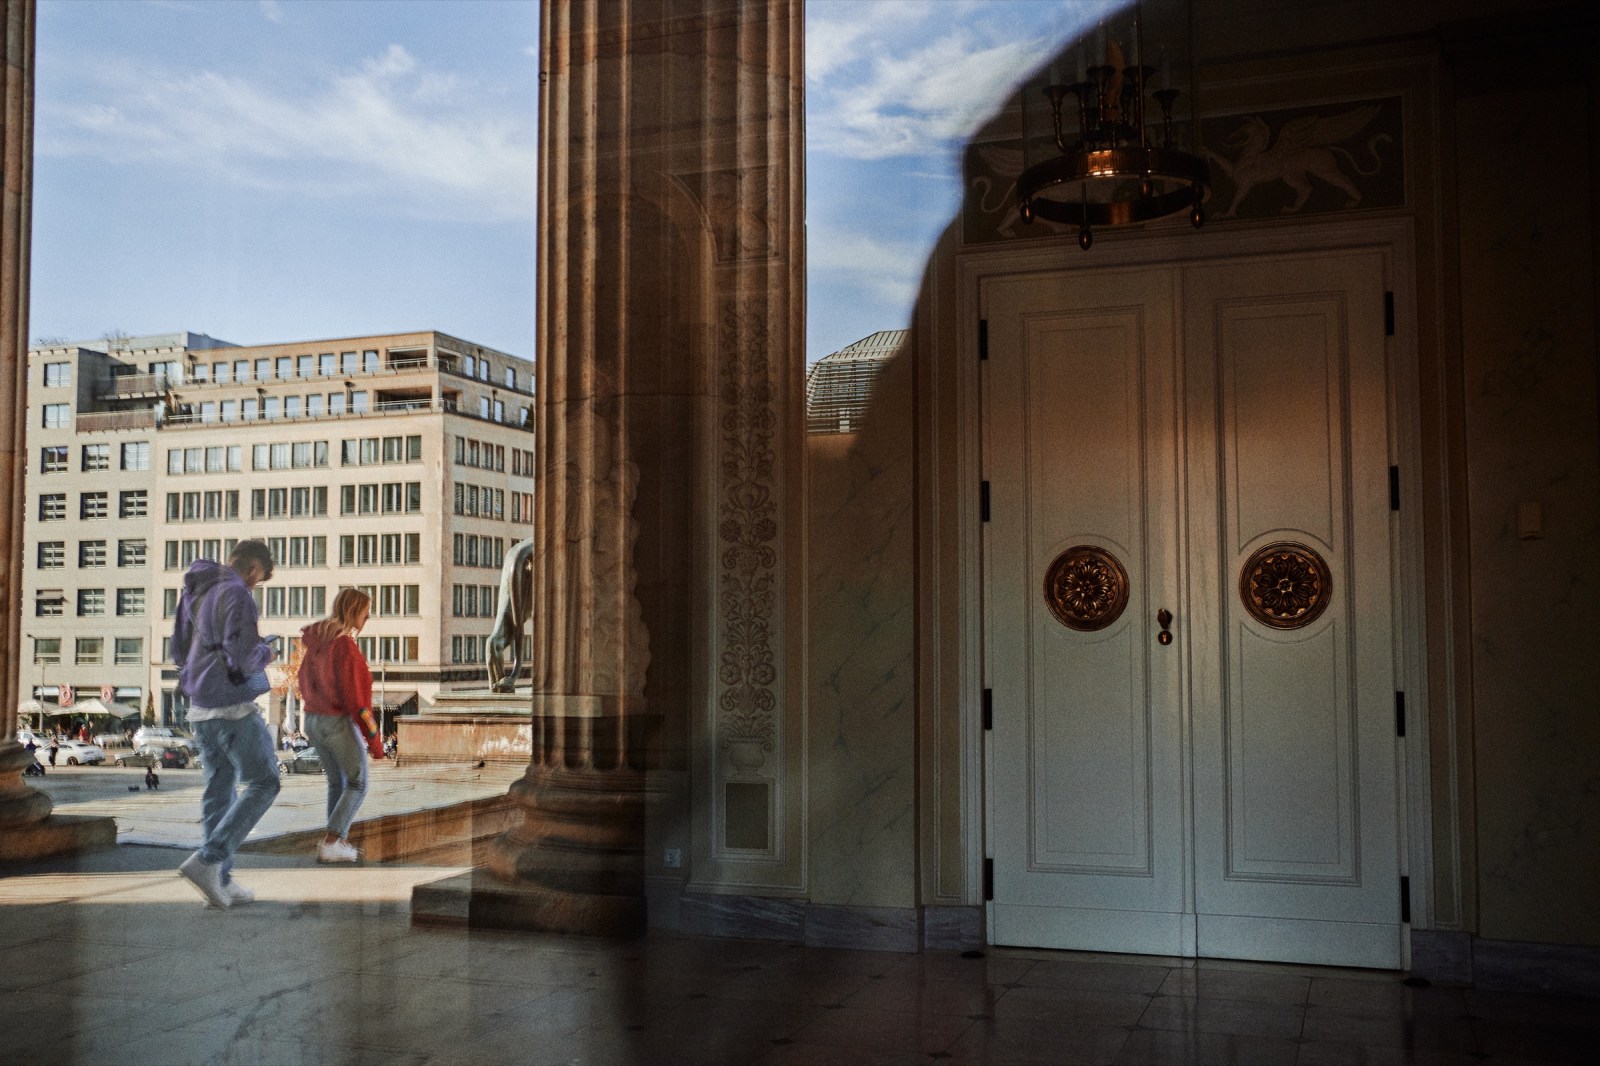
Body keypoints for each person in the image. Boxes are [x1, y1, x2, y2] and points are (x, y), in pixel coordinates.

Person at [170, 539, 281, 909]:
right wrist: (267, 650)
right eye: (258, 580)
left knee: (220, 790)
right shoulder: (238, 593)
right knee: (265, 781)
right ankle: (208, 860)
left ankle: (221, 879)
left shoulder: (195, 589)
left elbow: (178, 649)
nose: (255, 587)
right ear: (252, 569)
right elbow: (243, 658)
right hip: (230, 706)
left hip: (199, 706)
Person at [296, 587, 384, 863]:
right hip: (336, 720)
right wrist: (375, 742)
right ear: (353, 611)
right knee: (358, 783)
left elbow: (301, 680)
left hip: (313, 720)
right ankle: (332, 840)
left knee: (337, 782)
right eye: (365, 611)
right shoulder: (345, 645)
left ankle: (337, 841)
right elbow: (356, 699)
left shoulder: (319, 641)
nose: (368, 617)